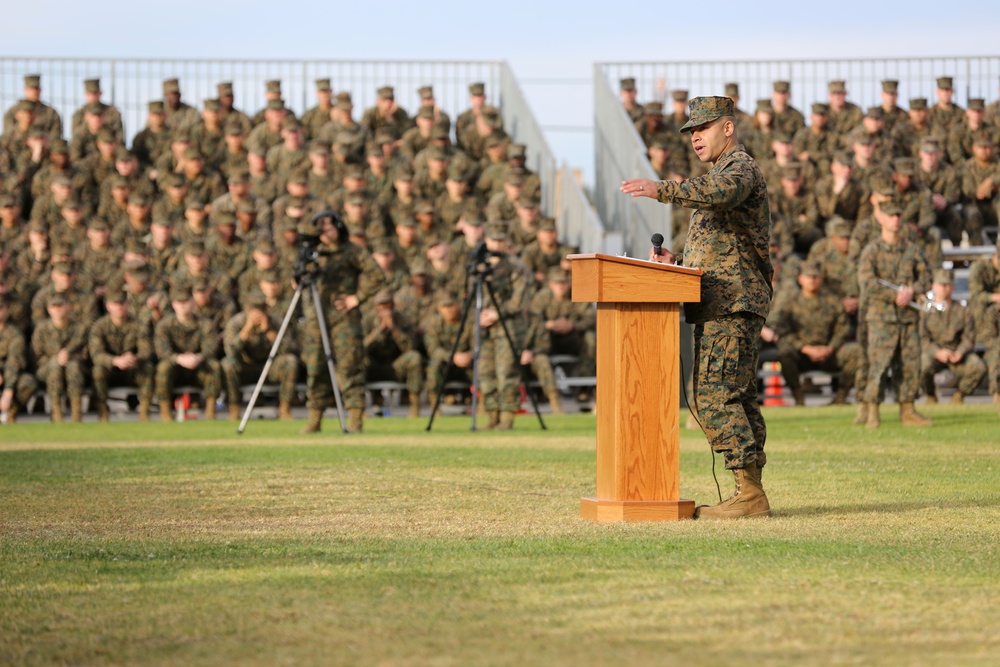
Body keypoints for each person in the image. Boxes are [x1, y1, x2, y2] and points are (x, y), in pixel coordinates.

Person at [620, 95, 772, 520]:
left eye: (702, 129)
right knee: (734, 395)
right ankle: (750, 490)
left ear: (728, 127)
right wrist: (680, 266)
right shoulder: (716, 175)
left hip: (733, 302)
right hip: (719, 300)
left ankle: (749, 492)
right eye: (691, 132)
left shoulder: (738, 169)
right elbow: (720, 248)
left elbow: (721, 193)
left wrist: (661, 188)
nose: (695, 138)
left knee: (715, 396)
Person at [857, 199, 933, 428]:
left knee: (910, 365)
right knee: (879, 365)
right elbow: (866, 283)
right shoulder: (872, 250)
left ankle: (908, 409)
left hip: (908, 318)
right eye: (891, 216)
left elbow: (927, 277)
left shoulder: (912, 250)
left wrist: (913, 291)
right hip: (882, 318)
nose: (896, 220)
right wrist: (895, 296)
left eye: (899, 215)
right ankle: (872, 410)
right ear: (881, 219)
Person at [772, 261, 860, 406]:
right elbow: (784, 331)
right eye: (808, 276)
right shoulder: (790, 302)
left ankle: (840, 398)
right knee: (785, 352)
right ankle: (798, 398)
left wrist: (830, 348)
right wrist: (805, 348)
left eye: (815, 276)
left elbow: (842, 328)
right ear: (800, 279)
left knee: (856, 352)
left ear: (821, 278)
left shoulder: (832, 301)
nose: (812, 280)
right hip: (803, 355)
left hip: (829, 354)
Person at [221, 291, 299, 421]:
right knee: (227, 364)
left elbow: (289, 349)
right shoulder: (236, 323)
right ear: (247, 309)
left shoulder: (276, 322)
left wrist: (269, 332)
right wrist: (246, 330)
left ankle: (285, 409)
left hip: (269, 367)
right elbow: (230, 351)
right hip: (245, 367)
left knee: (290, 361)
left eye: (261, 310)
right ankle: (233, 410)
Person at [920, 269, 986, 404]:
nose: (944, 288)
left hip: (956, 353)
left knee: (978, 367)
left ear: (952, 287)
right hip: (935, 353)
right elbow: (922, 338)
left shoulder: (963, 310)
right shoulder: (926, 310)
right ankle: (930, 395)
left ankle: (959, 396)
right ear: (934, 286)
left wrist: (960, 352)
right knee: (921, 366)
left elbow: (969, 337)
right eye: (941, 284)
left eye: (947, 285)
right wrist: (937, 352)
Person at [89, 289, 154, 422]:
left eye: (122, 303)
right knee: (97, 371)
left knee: (148, 368)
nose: (119, 307)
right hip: (110, 369)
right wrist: (115, 360)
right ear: (108, 306)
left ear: (127, 304)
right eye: (115, 303)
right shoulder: (99, 327)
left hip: (132, 369)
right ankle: (102, 413)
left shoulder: (138, 325)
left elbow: (146, 350)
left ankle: (144, 413)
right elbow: (96, 354)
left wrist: (134, 358)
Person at [0, 294, 38, 423]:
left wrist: (8, 389)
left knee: (28, 382)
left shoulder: (15, 334)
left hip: (9, 376)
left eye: (0, 308)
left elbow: (14, 362)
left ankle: (10, 412)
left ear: (6, 310)